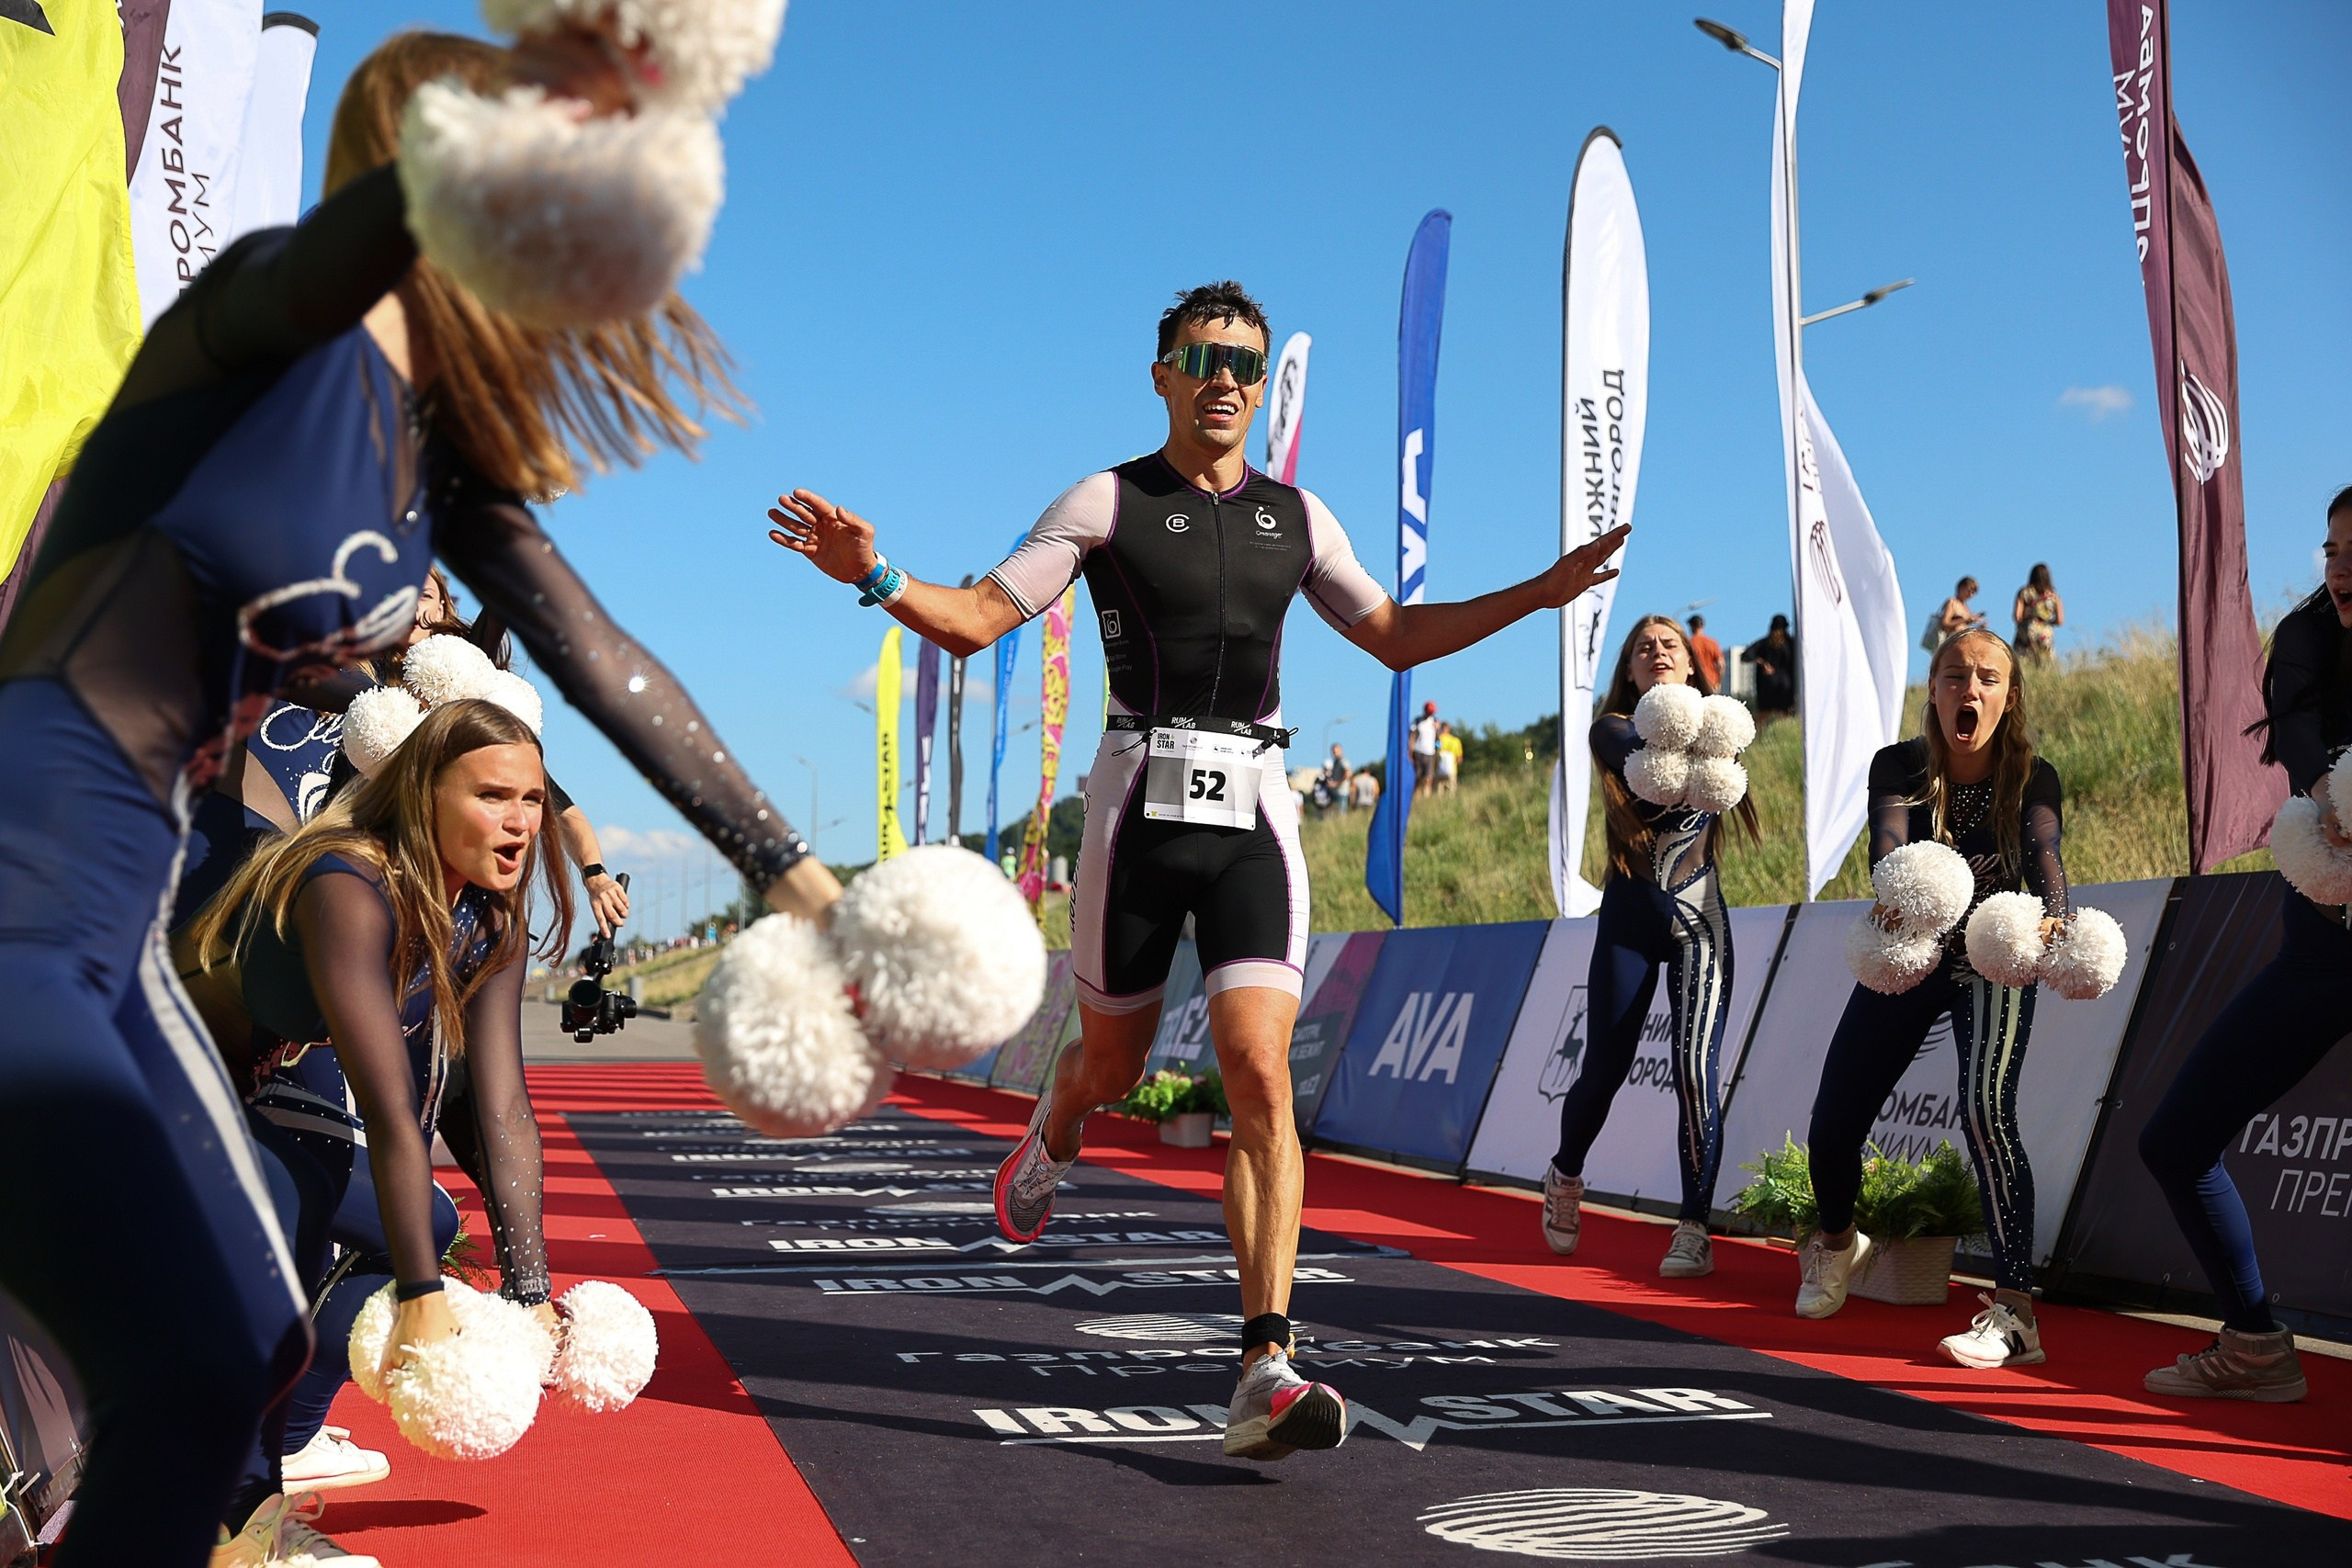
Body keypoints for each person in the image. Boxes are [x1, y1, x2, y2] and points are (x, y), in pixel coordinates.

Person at [0, 27, 824, 1564]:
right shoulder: (253, 322)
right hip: (20, 867)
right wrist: (581, 71)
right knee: (185, 1339)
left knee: (243, 1339)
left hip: (119, 918)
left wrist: (805, 883)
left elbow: (600, 656)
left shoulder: (428, 463)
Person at [764, 279, 1625, 1461]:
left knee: (1260, 1072)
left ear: (1260, 388)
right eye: (1203, 358)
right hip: (1131, 812)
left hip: (1254, 810)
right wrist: (872, 572)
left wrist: (1536, 593)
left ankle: (1264, 1361)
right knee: (1110, 1061)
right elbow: (972, 619)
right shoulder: (1107, 501)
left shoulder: (1297, 517)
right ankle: (1057, 1118)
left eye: (1246, 364)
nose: (1226, 379)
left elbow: (1389, 637)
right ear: (1162, 373)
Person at [175, 700, 563, 1563]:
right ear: (424, 793)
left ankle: (279, 1459)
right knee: (296, 1202)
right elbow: (388, 1107)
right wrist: (423, 1301)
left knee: (425, 1225)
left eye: (532, 799)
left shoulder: (489, 917)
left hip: (231, 1100)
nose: (519, 822)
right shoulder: (344, 883)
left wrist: (531, 1291)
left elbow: (499, 1107)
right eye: (492, 795)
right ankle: (232, 1526)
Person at [1796, 629, 2075, 1369]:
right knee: (1833, 1123)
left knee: (1987, 1108)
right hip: (1911, 950)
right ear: (1934, 689)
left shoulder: (2032, 773)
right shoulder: (1900, 763)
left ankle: (2015, 1313)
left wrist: (2056, 913)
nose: (1970, 690)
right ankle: (1835, 1242)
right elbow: (1888, 839)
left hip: (1992, 957)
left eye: (1987, 678)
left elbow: (2045, 851)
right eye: (1955, 676)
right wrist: (1894, 888)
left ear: (2008, 696)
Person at [2132, 486, 2352, 1404]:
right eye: (2333, 550)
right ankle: (2254, 1343)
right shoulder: (2306, 638)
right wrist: (2333, 793)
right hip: (2319, 954)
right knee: (2174, 1140)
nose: (2339, 571)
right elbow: (2298, 739)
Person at [1543, 616, 1758, 1278]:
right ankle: (1566, 1171)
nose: (1657, 652)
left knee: (1696, 1071)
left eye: (1670, 644)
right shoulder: (1611, 727)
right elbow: (1651, 758)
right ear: (1631, 674)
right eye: (1644, 648)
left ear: (1692, 665)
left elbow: (1719, 774)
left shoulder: (1723, 728)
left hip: (1699, 921)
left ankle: (1694, 1226)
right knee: (1602, 1072)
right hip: (1630, 920)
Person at [1744, 615, 1797, 719]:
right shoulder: (1791, 643)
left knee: (1763, 715)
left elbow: (1746, 656)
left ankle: (1759, 734)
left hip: (1767, 684)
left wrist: (1762, 663)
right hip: (1786, 685)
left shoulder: (1764, 643)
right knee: (1784, 716)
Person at [2013, 564, 2064, 664]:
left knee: (2022, 664)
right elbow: (2060, 621)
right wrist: (2047, 622)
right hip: (2045, 633)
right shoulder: (2054, 596)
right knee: (2045, 664)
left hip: (2026, 632)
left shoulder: (2024, 593)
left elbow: (2017, 616)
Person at [1928, 576, 1984, 650]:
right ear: (1961, 588)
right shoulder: (1952, 602)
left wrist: (1978, 627)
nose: (1971, 594)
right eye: (1969, 590)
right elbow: (1945, 623)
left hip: (1962, 641)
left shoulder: (1965, 607)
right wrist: (1966, 620)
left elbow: (1963, 626)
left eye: (1973, 592)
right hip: (1950, 642)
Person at [1688, 614, 1724, 690]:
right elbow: (1721, 664)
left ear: (1692, 626)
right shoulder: (1712, 643)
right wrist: (1719, 682)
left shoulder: (1689, 643)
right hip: (1711, 682)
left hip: (1695, 682)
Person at [1322, 742, 1351, 812]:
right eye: (1333, 751)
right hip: (1336, 791)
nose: (1334, 753)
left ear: (1341, 750)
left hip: (1342, 791)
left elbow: (1348, 774)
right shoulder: (1335, 762)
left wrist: (1336, 783)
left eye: (1336, 751)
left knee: (1341, 812)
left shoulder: (1343, 761)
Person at [1435, 720, 1463, 794]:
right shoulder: (1455, 740)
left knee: (1439, 790)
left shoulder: (1438, 740)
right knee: (1451, 791)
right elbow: (1459, 758)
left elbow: (1436, 750)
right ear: (1449, 729)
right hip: (1452, 769)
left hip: (1439, 769)